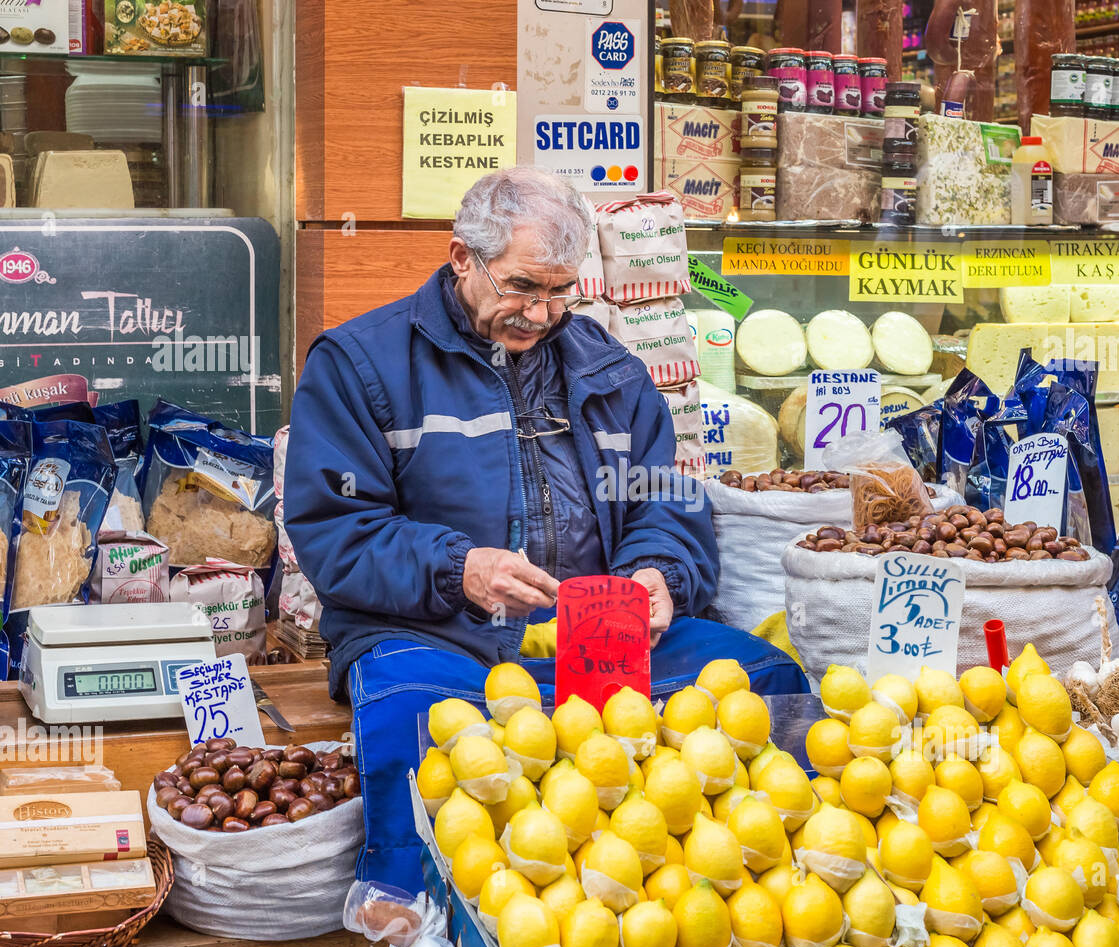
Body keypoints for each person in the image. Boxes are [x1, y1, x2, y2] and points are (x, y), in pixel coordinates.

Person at [284, 167, 807, 890]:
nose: (542, 313)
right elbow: (335, 528)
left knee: (766, 679)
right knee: (414, 721)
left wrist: (660, 569)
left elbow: (666, 499)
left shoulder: (614, 372)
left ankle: (772, 883)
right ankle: (414, 914)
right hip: (436, 636)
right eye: (523, 286)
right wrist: (458, 569)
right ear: (461, 256)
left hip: (605, 639)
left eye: (562, 292)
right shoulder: (358, 364)